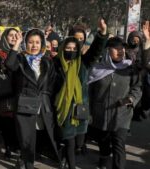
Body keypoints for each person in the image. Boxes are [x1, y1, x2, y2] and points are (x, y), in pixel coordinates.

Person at [54, 19, 108, 169]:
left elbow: (96, 50)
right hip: (64, 110)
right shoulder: (56, 63)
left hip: (80, 110)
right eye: (68, 48)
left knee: (78, 143)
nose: (71, 51)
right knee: (70, 142)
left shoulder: (83, 63)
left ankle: (64, 152)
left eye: (74, 48)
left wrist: (102, 33)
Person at [5, 29, 59, 169]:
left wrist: (47, 99)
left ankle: (25, 159)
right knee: (26, 139)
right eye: (30, 42)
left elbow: (52, 83)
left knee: (41, 137)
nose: (34, 45)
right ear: (25, 43)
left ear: (42, 44)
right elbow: (9, 64)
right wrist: (16, 44)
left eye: (37, 42)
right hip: (24, 107)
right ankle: (28, 164)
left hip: (43, 107)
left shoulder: (47, 61)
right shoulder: (20, 59)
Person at [88, 36, 142, 169]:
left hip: (122, 113)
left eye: (122, 48)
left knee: (119, 144)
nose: (121, 51)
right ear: (107, 50)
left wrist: (131, 98)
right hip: (101, 113)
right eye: (116, 48)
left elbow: (137, 88)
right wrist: (89, 111)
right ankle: (104, 157)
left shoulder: (130, 68)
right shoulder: (96, 69)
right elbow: (89, 92)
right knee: (103, 140)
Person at [0, 28, 20, 158]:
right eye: (10, 35)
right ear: (5, 38)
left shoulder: (22, 53)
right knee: (6, 122)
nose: (13, 38)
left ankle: (16, 145)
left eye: (16, 35)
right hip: (5, 94)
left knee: (17, 122)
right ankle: (8, 146)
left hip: (18, 92)